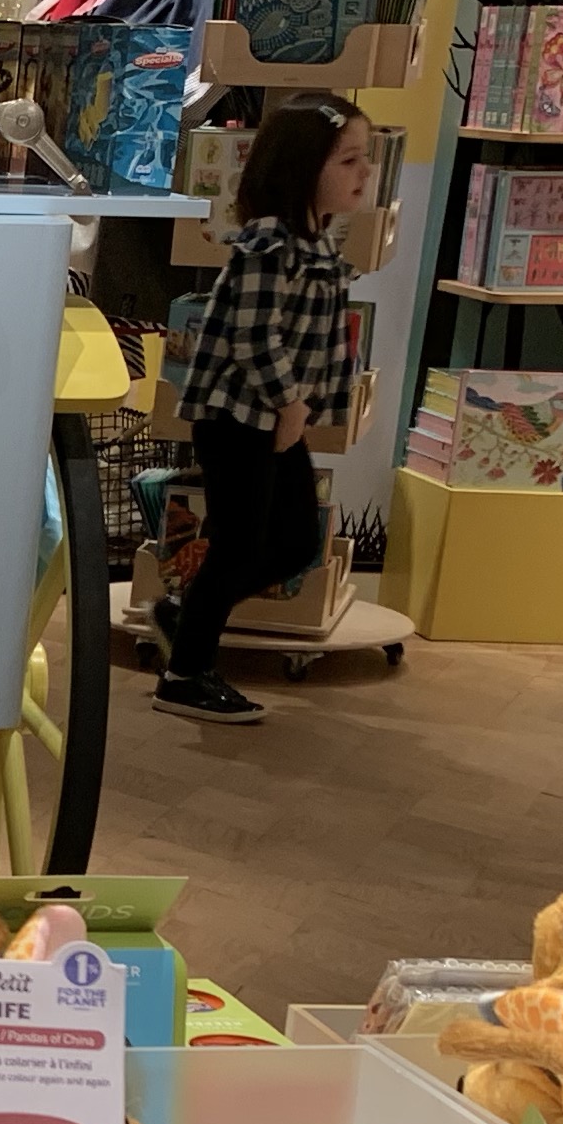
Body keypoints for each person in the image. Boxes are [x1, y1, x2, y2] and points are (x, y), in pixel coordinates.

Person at [153, 94, 374, 724]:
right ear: (302, 168)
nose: (364, 173)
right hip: (238, 416)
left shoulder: (317, 243)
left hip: (274, 417)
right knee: (240, 545)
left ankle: (185, 615)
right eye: (349, 160)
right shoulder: (271, 243)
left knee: (296, 540)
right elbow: (252, 334)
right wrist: (293, 403)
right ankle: (185, 675)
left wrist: (302, 406)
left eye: (365, 158)